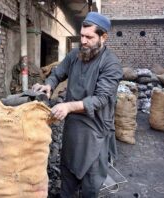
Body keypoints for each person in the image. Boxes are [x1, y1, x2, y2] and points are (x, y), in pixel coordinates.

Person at [32, 12, 123, 197]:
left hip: (95, 132)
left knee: (90, 186)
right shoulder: (76, 54)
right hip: (73, 130)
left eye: (89, 37)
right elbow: (58, 73)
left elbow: (100, 99)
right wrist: (48, 85)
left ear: (103, 37)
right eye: (81, 35)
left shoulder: (111, 64)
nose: (83, 41)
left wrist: (68, 106)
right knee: (67, 180)